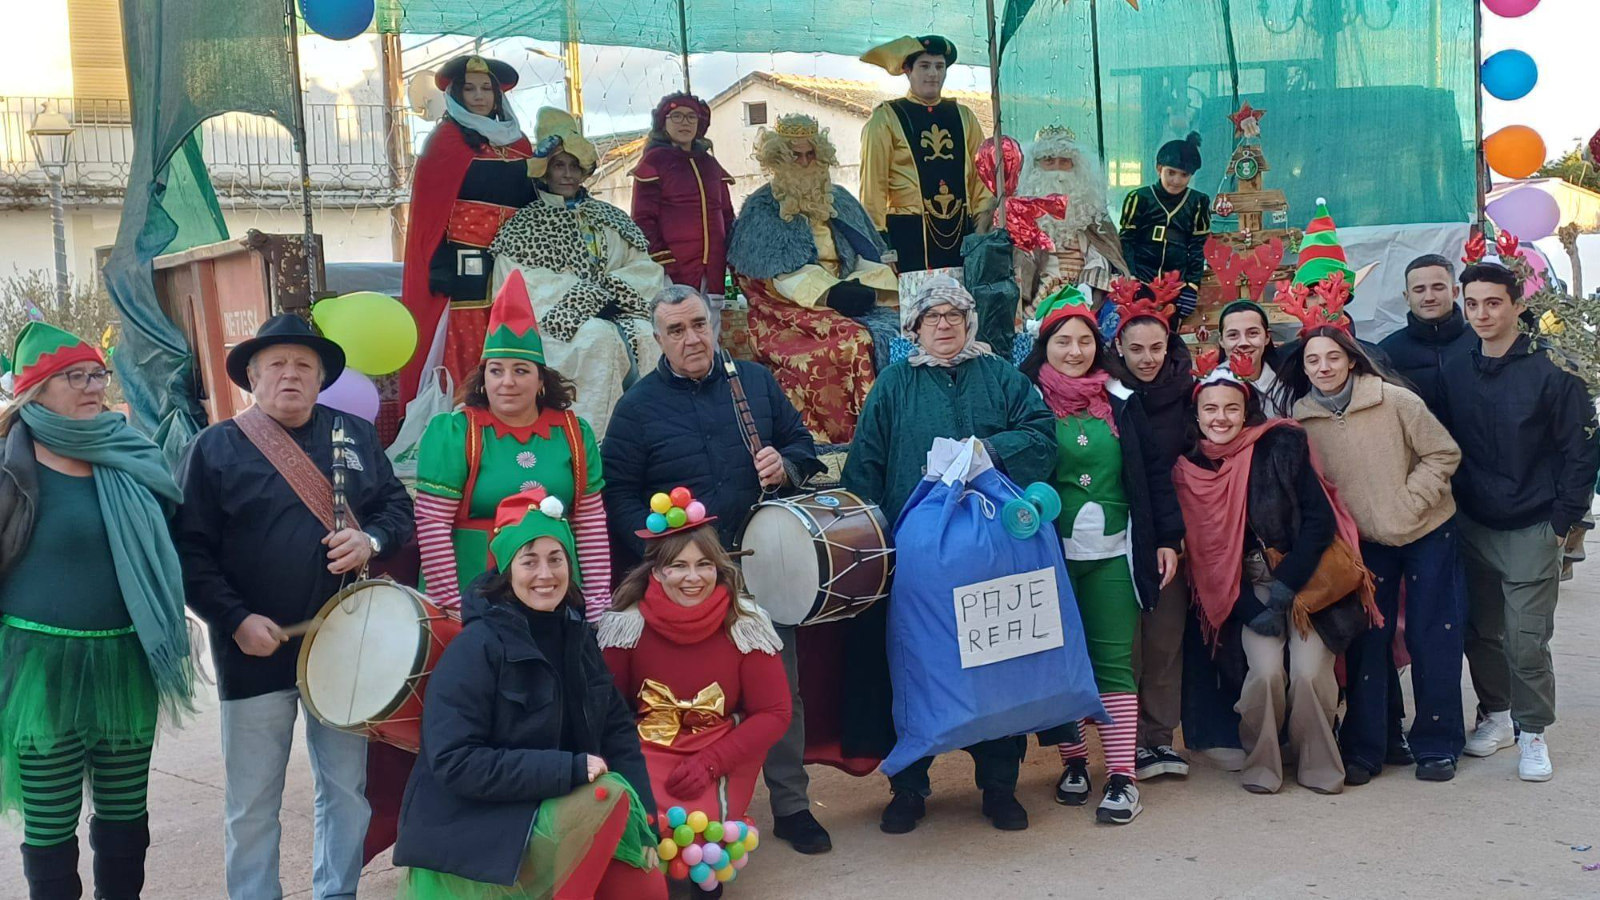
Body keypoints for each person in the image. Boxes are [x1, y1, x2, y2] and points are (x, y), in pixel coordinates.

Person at [175, 315, 415, 899]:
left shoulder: (356, 436)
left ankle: (338, 892)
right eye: (276, 364)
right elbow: (187, 551)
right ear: (252, 378)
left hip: (344, 644)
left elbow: (396, 510)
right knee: (252, 799)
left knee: (345, 791)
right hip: (253, 650)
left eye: (303, 365)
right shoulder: (214, 448)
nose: (291, 375)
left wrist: (371, 540)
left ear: (321, 378)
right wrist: (233, 619)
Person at [601, 285, 831, 855]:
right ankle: (686, 806)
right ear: (658, 339)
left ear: (715, 324)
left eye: (699, 325)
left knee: (780, 689)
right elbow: (618, 496)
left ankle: (792, 806)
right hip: (685, 578)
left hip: (761, 563)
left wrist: (785, 464)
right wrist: (662, 554)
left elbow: (803, 446)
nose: (692, 339)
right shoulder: (636, 408)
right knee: (687, 698)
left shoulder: (754, 383)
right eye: (676, 331)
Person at [843, 274, 1056, 832]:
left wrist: (992, 451)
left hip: (994, 553)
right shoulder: (893, 385)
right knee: (918, 665)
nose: (944, 325)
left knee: (996, 663)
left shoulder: (1001, 377)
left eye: (954, 315)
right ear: (913, 328)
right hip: (918, 560)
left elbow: (1042, 436)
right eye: (932, 317)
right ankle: (909, 787)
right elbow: (864, 468)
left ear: (969, 323)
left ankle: (1000, 785)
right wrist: (874, 544)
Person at [2, 323, 196, 899]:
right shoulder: (9, 465)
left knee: (125, 818)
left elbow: (175, 541)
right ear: (36, 390)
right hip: (40, 668)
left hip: (125, 657)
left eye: (97, 374)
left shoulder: (130, 452)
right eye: (75, 377)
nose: (93, 387)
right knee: (50, 823)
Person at [393, 489, 664, 900]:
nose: (545, 574)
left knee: (647, 890)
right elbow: (455, 761)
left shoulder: (578, 636)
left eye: (556, 559)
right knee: (604, 794)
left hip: (560, 807)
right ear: (507, 568)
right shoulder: (475, 647)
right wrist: (566, 769)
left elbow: (616, 731)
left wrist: (647, 818)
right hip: (485, 826)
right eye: (529, 560)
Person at [1171, 350, 1378, 795]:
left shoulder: (1280, 445)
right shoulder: (1190, 470)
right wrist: (1252, 610)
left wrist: (1286, 588)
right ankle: (1262, 761)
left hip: (1302, 579)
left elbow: (1318, 522)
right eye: (1211, 409)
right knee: (1265, 673)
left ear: (1246, 410)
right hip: (1246, 590)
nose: (1221, 418)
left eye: (1231, 408)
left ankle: (1317, 761)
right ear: (1197, 414)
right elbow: (1207, 557)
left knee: (1308, 672)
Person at [1017, 287, 1184, 824]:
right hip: (1050, 554)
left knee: (1113, 662)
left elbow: (1153, 472)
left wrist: (1166, 537)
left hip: (1114, 550)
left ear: (1098, 345)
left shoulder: (1121, 399)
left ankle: (1121, 776)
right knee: (1061, 659)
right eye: (1063, 341)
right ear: (1045, 345)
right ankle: (1072, 762)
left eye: (1084, 341)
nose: (1075, 351)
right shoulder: (1025, 401)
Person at [1278, 316, 1466, 783]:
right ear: (1304, 367)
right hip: (1366, 543)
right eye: (1313, 360)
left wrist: (1412, 500)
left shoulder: (1394, 400)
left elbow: (1443, 452)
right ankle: (1367, 747)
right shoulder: (1302, 420)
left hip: (1427, 529)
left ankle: (1437, 744)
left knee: (1431, 635)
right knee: (1368, 642)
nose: (1324, 367)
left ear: (1351, 360)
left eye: (1333, 357)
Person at [1439, 257, 1599, 782]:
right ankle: (1498, 715)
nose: (1482, 314)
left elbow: (1582, 453)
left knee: (1526, 638)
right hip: (1472, 522)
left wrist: (1563, 521)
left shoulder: (1554, 370)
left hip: (1534, 524)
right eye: (1472, 304)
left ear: (1516, 305)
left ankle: (1533, 732)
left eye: (1493, 303)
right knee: (1481, 632)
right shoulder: (1456, 367)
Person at [598, 507, 790, 888]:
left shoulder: (744, 623)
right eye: (679, 566)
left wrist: (711, 763)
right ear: (656, 571)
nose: (693, 577)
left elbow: (775, 712)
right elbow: (606, 710)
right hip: (647, 746)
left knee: (704, 842)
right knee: (649, 829)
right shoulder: (627, 624)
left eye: (704, 564)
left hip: (721, 747)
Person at [414, 271, 611, 620]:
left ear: (540, 381)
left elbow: (590, 522)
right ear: (483, 378)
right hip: (476, 594)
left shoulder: (573, 432)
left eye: (521, 370)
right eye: (496, 370)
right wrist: (452, 606)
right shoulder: (456, 432)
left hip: (554, 593)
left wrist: (596, 604)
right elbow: (432, 525)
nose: (507, 382)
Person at [490, 107, 667, 438]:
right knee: (597, 339)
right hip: (555, 325)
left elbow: (644, 267)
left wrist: (614, 292)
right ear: (545, 171)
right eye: (560, 165)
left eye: (574, 166)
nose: (568, 174)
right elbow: (520, 284)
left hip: (618, 312)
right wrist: (587, 299)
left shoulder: (611, 217)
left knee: (647, 336)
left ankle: (650, 435)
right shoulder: (525, 225)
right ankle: (589, 439)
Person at [727, 114, 901, 444]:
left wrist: (864, 287)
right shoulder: (762, 208)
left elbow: (869, 252)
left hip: (850, 293)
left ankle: (902, 429)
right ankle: (856, 439)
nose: (806, 163)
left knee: (908, 326)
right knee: (853, 341)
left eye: (812, 155)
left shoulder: (841, 199)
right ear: (779, 158)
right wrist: (831, 294)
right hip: (791, 310)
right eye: (796, 155)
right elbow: (770, 275)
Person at [1099, 279, 1195, 781]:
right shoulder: (1107, 395)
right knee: (1124, 645)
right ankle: (1126, 742)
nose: (1147, 359)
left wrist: (1173, 537)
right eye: (1136, 349)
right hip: (1120, 534)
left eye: (1156, 347)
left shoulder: (1190, 393)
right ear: (1118, 346)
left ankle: (1160, 739)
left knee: (1164, 641)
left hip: (1174, 534)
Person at [399, 55, 534, 406]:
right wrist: (439, 260)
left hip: (513, 261)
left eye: (486, 89)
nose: (479, 96)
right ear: (457, 94)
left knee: (511, 333)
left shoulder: (520, 143)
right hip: (464, 257)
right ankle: (464, 412)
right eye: (470, 89)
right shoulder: (445, 140)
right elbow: (430, 212)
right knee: (467, 338)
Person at [858, 35, 993, 272]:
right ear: (907, 70)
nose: (933, 74)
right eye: (924, 66)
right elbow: (873, 187)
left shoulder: (964, 117)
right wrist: (879, 244)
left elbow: (980, 181)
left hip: (961, 234)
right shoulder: (886, 117)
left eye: (939, 66)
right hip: (906, 236)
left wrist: (984, 231)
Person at [631, 92, 735, 301]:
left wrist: (732, 256)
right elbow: (642, 218)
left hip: (713, 267)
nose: (685, 122)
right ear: (663, 122)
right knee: (678, 316)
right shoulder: (655, 161)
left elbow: (726, 215)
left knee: (710, 318)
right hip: (673, 267)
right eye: (677, 116)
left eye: (691, 116)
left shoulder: (711, 165)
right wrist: (663, 259)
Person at [1017, 124, 1129, 308]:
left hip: (1084, 295)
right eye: (1049, 160)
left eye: (1064, 161)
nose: (1058, 171)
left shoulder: (1092, 212)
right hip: (1037, 298)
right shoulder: (1017, 214)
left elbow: (1102, 257)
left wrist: (1088, 285)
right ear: (1034, 166)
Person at [1118, 133, 1209, 319]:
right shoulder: (1139, 198)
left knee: (1171, 330)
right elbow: (1126, 241)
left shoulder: (1198, 202)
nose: (1176, 180)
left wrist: (1192, 285)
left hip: (1176, 286)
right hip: (1141, 280)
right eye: (1171, 172)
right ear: (1159, 169)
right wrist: (1131, 276)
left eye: (1184, 175)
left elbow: (1198, 246)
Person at [1377, 253, 1476, 416]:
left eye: (1438, 287)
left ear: (1455, 292)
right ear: (1407, 297)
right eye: (1419, 290)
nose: (1429, 297)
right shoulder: (1386, 353)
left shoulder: (1483, 342)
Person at [1217, 299, 1287, 415]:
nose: (1243, 343)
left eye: (1253, 333)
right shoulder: (1207, 385)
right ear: (1221, 341)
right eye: (1233, 335)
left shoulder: (1286, 385)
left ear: (1267, 337)